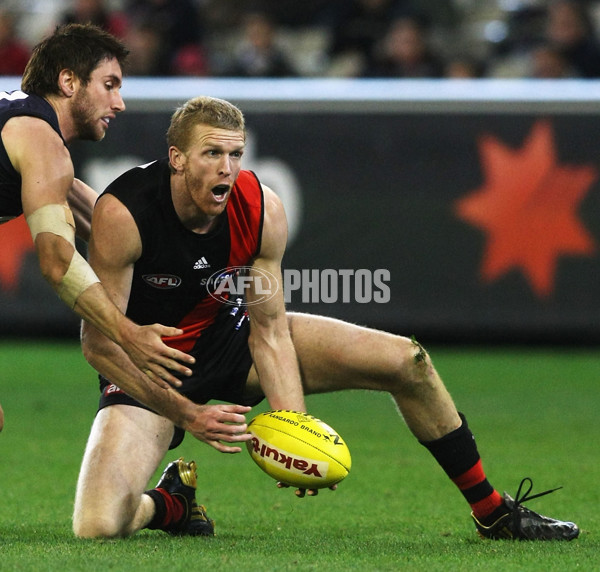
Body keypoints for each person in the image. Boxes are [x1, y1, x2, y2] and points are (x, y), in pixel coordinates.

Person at [72, 95, 579, 541]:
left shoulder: (260, 207)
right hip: (152, 365)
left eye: (235, 154)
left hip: (232, 339)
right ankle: (172, 504)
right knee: (97, 525)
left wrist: (294, 427)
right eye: (212, 153)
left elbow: (268, 328)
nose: (227, 168)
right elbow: (98, 344)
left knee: (409, 361)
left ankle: (492, 512)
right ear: (177, 159)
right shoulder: (126, 213)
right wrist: (186, 413)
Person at [0, 23, 197, 431]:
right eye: (109, 84)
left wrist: (182, 262)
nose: (119, 103)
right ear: (69, 81)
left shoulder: (28, 132)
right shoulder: (42, 143)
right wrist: (128, 335)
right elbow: (57, 262)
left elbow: (103, 221)